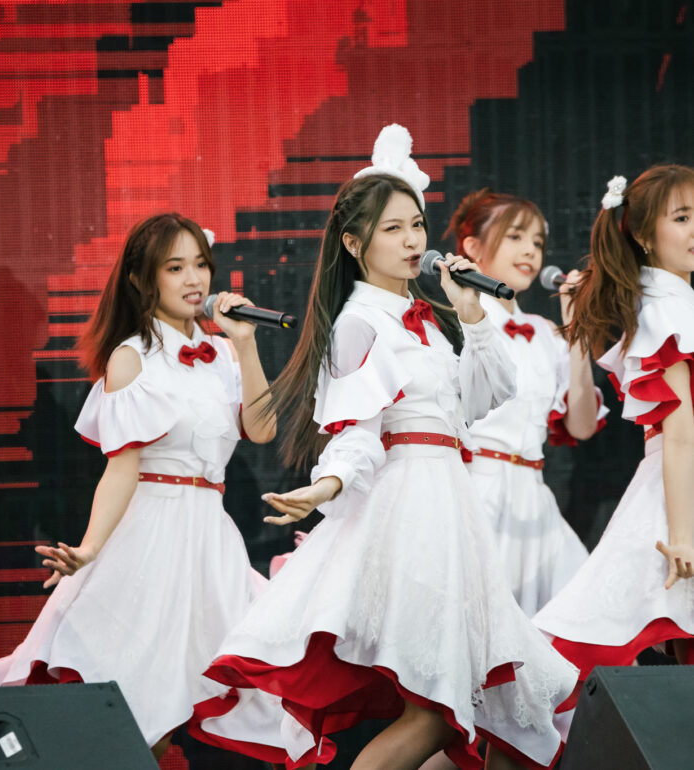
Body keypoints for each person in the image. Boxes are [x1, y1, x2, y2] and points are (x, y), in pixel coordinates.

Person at [196, 125, 578, 770]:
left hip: (451, 508)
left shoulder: (426, 320)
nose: (412, 241)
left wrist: (472, 313)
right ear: (354, 243)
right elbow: (357, 433)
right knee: (437, 709)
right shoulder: (359, 322)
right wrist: (325, 487)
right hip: (413, 514)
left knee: (491, 708)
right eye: (393, 228)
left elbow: (486, 396)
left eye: (417, 226)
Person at [0, 213, 285, 760]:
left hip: (210, 539)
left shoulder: (225, 354)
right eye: (175, 267)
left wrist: (247, 345)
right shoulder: (131, 356)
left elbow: (262, 429)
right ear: (142, 278)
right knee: (142, 712)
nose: (194, 279)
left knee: (250, 690)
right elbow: (121, 468)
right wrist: (90, 549)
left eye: (200, 265)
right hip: (151, 537)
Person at [533, 165, 694, 707]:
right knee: (574, 654)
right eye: (682, 218)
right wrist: (683, 535)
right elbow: (680, 434)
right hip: (676, 499)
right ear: (644, 235)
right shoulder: (668, 309)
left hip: (674, 495)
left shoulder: (673, 303)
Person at [443, 189, 606, 617]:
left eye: (537, 242)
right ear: (472, 246)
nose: (531, 251)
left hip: (533, 496)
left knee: (571, 618)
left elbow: (582, 426)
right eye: (516, 236)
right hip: (476, 490)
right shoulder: (453, 321)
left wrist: (576, 334)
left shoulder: (545, 331)